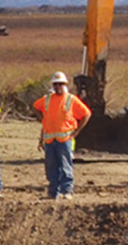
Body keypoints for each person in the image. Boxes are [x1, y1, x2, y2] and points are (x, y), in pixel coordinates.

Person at [36, 71, 92, 199]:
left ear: (65, 85)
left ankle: (67, 191)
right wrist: (43, 120)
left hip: (65, 139)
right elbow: (36, 107)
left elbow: (86, 114)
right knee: (51, 167)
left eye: (60, 84)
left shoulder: (70, 99)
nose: (58, 87)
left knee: (65, 165)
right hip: (50, 140)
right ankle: (52, 192)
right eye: (55, 84)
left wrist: (76, 132)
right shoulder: (47, 99)